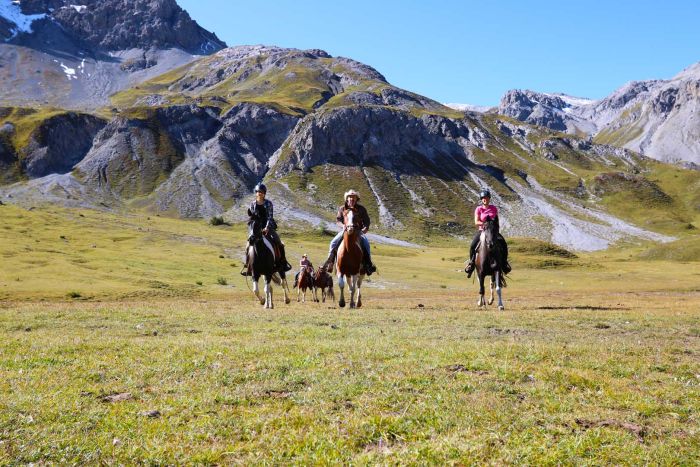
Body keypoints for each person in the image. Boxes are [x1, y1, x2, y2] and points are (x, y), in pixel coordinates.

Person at [241, 183, 291, 275]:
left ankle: (283, 263)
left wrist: (267, 228)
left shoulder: (269, 203)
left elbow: (270, 217)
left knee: (278, 241)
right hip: (256, 228)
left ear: (264, 193)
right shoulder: (252, 204)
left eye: (261, 192)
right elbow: (252, 217)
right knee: (248, 244)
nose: (259, 193)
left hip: (268, 226)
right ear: (256, 193)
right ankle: (248, 266)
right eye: (258, 192)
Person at [323, 190, 377, 275]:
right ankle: (330, 263)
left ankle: (368, 265)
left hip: (358, 231)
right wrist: (343, 226)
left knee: (366, 244)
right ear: (347, 198)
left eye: (353, 197)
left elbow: (367, 220)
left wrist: (365, 228)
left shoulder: (361, 209)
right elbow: (338, 220)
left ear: (356, 199)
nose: (351, 199)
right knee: (333, 242)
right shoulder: (342, 208)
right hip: (345, 230)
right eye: (350, 197)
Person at [465, 189, 511, 277]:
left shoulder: (494, 208)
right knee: (472, 245)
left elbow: (496, 221)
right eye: (483, 198)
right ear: (481, 199)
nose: (484, 199)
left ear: (489, 199)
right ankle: (471, 264)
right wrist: (485, 224)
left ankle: (504, 263)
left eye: (486, 198)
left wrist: (495, 228)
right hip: (482, 231)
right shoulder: (478, 209)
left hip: (493, 232)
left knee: (504, 244)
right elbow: (476, 222)